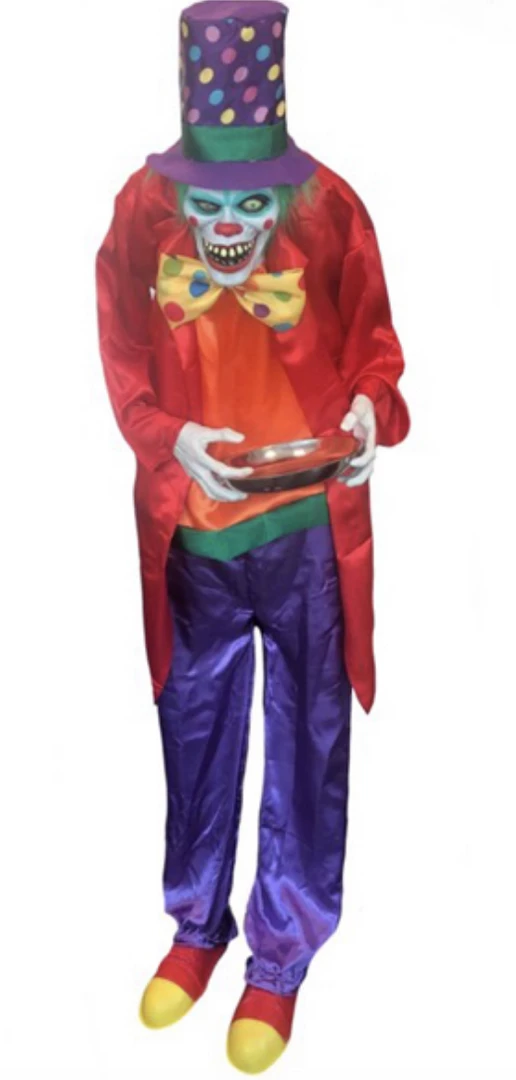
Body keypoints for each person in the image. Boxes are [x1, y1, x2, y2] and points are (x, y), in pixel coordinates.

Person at [96, 1, 409, 1072]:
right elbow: (122, 354)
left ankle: (281, 954)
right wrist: (169, 438)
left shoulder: (332, 207)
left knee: (309, 740)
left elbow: (377, 346)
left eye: (249, 199)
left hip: (307, 530)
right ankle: (196, 924)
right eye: (211, 200)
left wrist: (367, 412)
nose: (229, 219)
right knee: (194, 731)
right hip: (197, 538)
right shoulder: (140, 211)